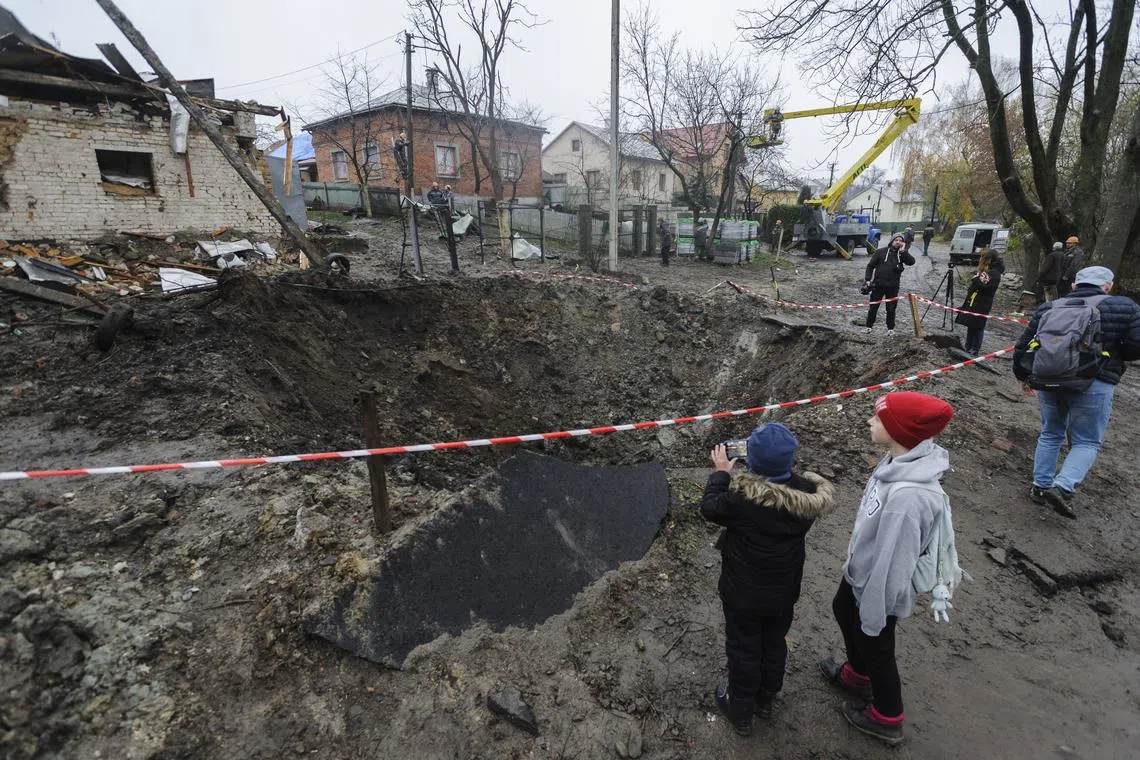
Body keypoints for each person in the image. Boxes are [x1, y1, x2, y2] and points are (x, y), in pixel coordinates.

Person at [819, 391, 955, 747]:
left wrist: (875, 609)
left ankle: (887, 716)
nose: (869, 422)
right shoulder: (895, 460)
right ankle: (859, 675)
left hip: (878, 587)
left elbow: (896, 560)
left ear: (898, 431)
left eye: (878, 419)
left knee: (876, 641)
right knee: (841, 608)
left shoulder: (908, 499)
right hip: (861, 572)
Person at [701, 424, 835, 737]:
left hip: (742, 594)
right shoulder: (806, 498)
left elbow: (710, 507)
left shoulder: (740, 499)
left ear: (751, 462)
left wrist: (722, 473)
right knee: (774, 642)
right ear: (792, 461)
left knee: (743, 646)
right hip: (782, 593)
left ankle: (740, 707)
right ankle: (766, 697)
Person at [1013, 266, 1140, 518]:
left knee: (1050, 433)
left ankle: (1040, 487)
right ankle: (1063, 487)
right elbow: (1136, 347)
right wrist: (1114, 358)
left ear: (1074, 285)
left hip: (1050, 379)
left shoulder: (1050, 308)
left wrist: (1024, 376)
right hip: (1095, 382)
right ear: (1108, 286)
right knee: (1087, 440)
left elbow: (1023, 345)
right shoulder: (1126, 307)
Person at [954, 249, 1005, 356]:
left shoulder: (995, 274)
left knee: (978, 327)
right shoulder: (987, 271)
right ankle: (968, 347)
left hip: (983, 304)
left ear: (990, 260)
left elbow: (990, 290)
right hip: (975, 301)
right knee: (970, 325)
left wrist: (977, 282)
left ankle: (975, 349)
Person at [863, 234, 915, 335]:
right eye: (896, 240)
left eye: (901, 241)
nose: (898, 242)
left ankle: (890, 329)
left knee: (891, 309)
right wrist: (868, 280)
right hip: (878, 285)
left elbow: (911, 262)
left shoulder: (902, 254)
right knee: (873, 307)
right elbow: (870, 266)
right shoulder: (880, 252)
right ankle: (869, 327)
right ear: (892, 241)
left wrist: (903, 251)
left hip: (893, 287)